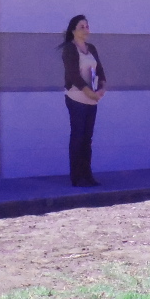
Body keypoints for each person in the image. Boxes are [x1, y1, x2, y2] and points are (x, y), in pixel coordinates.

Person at [60, 15, 107, 187]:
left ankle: (88, 175)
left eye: (87, 26)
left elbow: (100, 71)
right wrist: (89, 93)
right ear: (73, 30)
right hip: (76, 97)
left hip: (92, 99)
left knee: (88, 139)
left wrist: (102, 88)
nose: (86, 29)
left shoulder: (92, 48)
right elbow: (74, 76)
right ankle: (76, 177)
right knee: (78, 136)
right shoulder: (69, 49)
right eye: (82, 26)